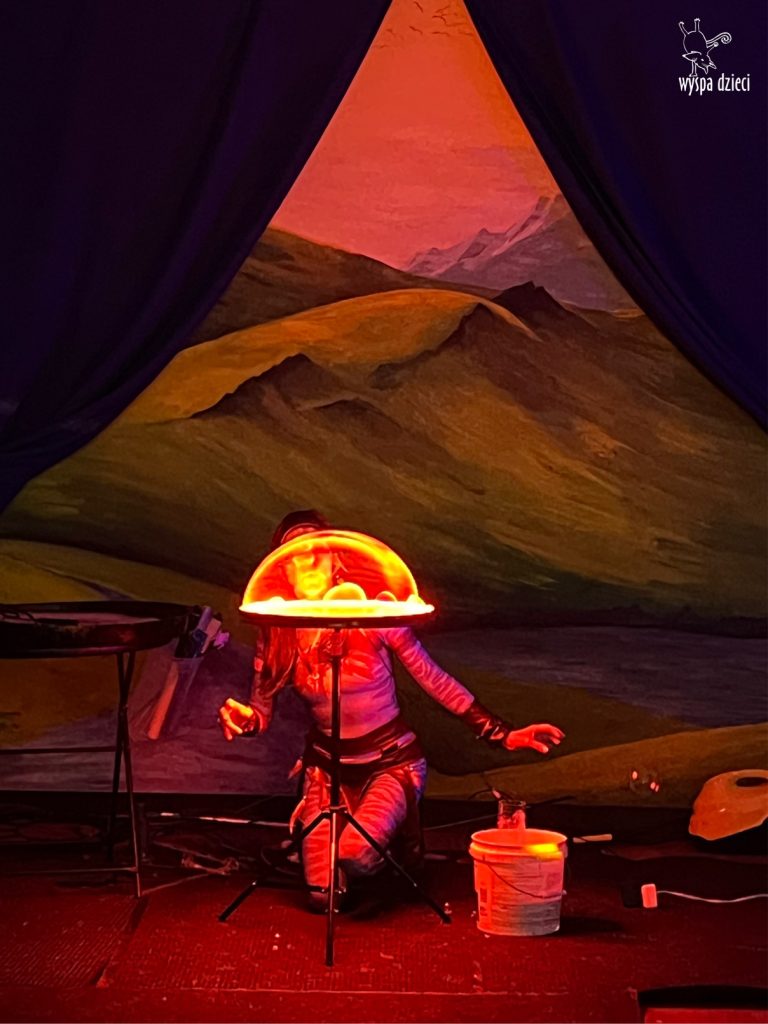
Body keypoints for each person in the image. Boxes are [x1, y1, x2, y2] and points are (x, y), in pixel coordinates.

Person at [219, 510, 564, 910]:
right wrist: (245, 720)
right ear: (283, 569)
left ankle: (387, 848)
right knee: (321, 897)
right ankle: (341, 846)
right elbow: (260, 711)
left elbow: (433, 678)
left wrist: (502, 732)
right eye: (295, 554)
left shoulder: (374, 616)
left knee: (354, 855)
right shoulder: (277, 633)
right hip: (326, 770)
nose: (308, 560)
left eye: (318, 550)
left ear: (336, 559)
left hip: (389, 763)